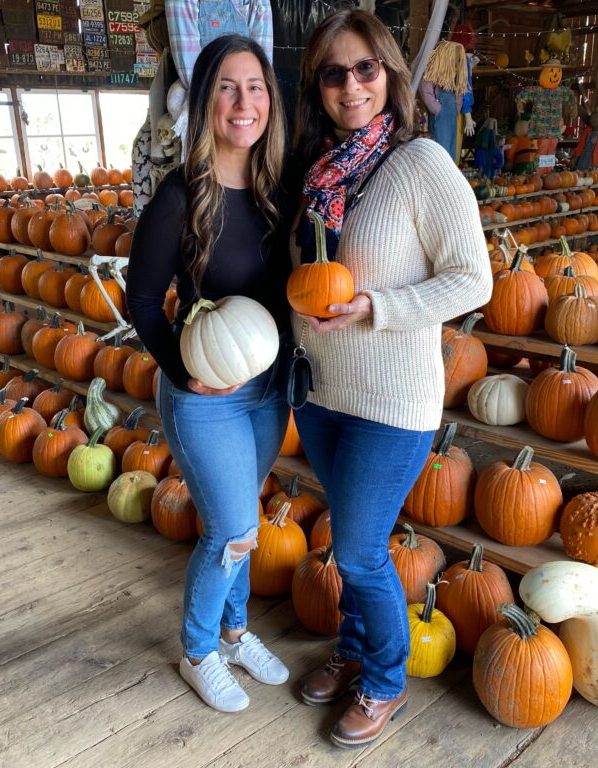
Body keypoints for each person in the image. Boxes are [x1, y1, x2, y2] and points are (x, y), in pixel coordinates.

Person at [289, 8, 492, 749]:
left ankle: (384, 678)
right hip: (320, 395)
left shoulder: (421, 164)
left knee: (361, 550)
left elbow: (474, 280)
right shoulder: (318, 171)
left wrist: (380, 307)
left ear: (391, 77)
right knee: (348, 539)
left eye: (365, 69)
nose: (351, 85)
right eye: (334, 73)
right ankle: (351, 651)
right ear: (318, 86)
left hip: (390, 401)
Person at [126, 34, 291, 714]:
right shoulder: (178, 195)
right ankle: (198, 651)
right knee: (229, 529)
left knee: (243, 519)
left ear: (270, 102)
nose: (243, 101)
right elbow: (140, 299)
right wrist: (181, 371)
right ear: (204, 101)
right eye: (227, 86)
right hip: (205, 394)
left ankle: (234, 631)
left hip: (266, 389)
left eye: (255, 87)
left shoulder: (282, 188)